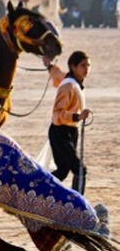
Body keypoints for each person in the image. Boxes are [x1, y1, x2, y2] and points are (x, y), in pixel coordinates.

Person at [43, 51, 92, 193]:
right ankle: (79, 204)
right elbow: (57, 114)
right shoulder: (68, 86)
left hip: (71, 131)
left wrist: (49, 66)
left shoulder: (72, 81)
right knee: (80, 169)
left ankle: (42, 192)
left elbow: (57, 75)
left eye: (88, 65)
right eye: (83, 65)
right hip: (60, 131)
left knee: (63, 170)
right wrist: (77, 116)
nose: (86, 69)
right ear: (73, 66)